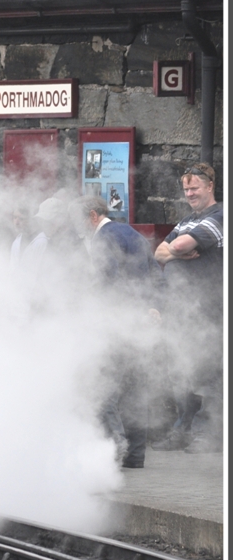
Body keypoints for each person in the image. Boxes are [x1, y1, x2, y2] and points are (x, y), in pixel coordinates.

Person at [71, 194, 163, 468]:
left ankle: (115, 448)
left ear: (92, 216)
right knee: (135, 391)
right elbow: (156, 273)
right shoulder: (132, 233)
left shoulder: (103, 238)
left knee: (105, 389)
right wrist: (154, 307)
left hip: (115, 324)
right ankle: (135, 456)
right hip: (139, 324)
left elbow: (105, 283)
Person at [151, 163, 223, 454]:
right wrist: (172, 251)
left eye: (194, 188)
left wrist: (174, 252)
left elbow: (177, 246)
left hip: (208, 310)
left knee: (211, 371)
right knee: (181, 369)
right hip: (179, 312)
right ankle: (183, 428)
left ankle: (212, 432)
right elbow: (158, 251)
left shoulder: (220, 215)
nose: (190, 193)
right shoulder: (186, 220)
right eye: (186, 189)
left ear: (210, 186)